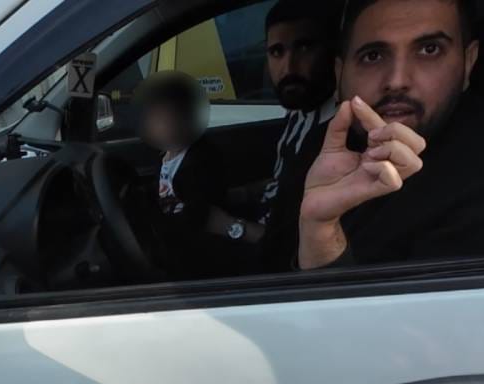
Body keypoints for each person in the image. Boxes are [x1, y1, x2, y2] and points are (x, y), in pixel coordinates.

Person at [291, 0, 484, 270]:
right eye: (373, 56)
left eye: (429, 50)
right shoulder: (326, 146)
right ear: (339, 73)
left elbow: (434, 298)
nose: (397, 80)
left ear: (468, 63)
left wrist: (322, 234)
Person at [249, 0, 344, 262]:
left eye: (304, 48)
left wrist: (232, 227)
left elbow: (287, 242)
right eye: (276, 52)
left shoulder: (337, 138)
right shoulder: (300, 112)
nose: (289, 68)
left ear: (332, 53)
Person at [134, 71, 241, 279]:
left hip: (198, 243)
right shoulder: (165, 155)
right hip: (171, 232)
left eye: (168, 118)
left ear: (188, 119)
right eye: (155, 119)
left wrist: (162, 227)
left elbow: (200, 212)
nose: (161, 125)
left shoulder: (199, 160)